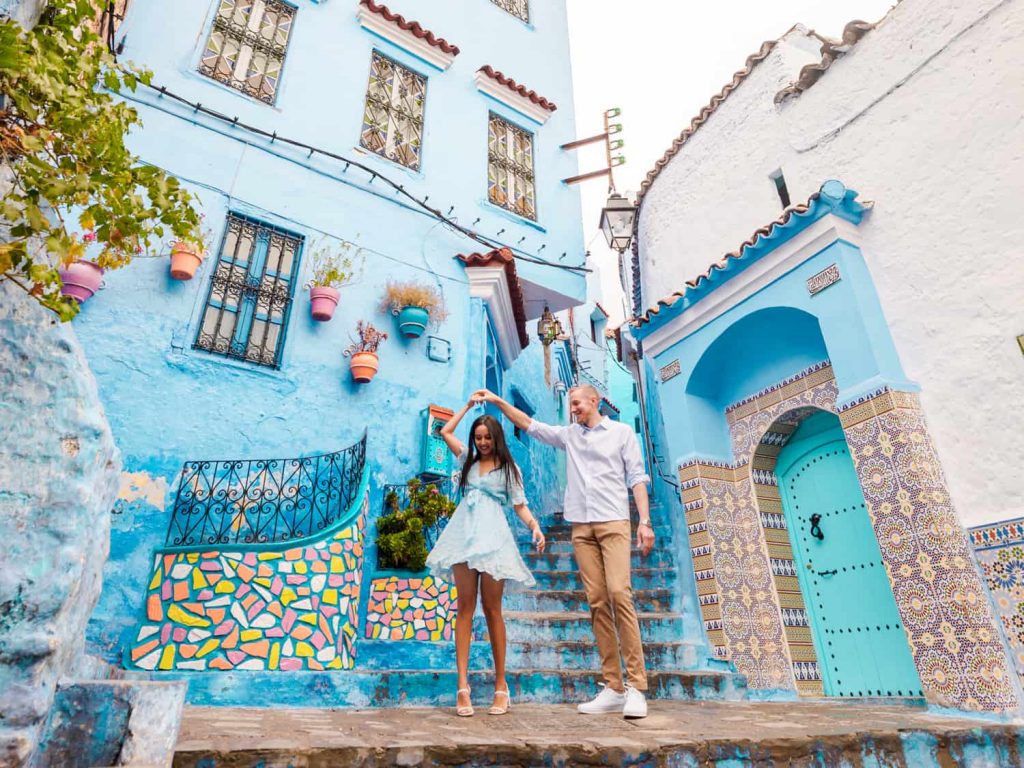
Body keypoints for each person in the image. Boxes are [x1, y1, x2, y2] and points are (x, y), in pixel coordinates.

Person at [475, 384, 653, 719]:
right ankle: (613, 687)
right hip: (581, 526)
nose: (573, 409)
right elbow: (531, 425)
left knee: (619, 594)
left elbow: (637, 478)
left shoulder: (621, 433)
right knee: (598, 601)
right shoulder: (570, 435)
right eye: (571, 405)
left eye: (577, 404)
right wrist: (498, 401)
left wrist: (644, 521)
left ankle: (637, 688)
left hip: (614, 520)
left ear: (594, 401)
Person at [425, 396, 546, 718]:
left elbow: (519, 504)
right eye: (478, 438)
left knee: (493, 609)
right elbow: (445, 432)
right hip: (463, 536)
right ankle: (462, 687)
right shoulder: (467, 459)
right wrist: (466, 407)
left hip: (493, 538)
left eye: (487, 438)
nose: (482, 443)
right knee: (464, 607)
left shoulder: (509, 468)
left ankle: (501, 686)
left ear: (497, 439)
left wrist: (535, 526)